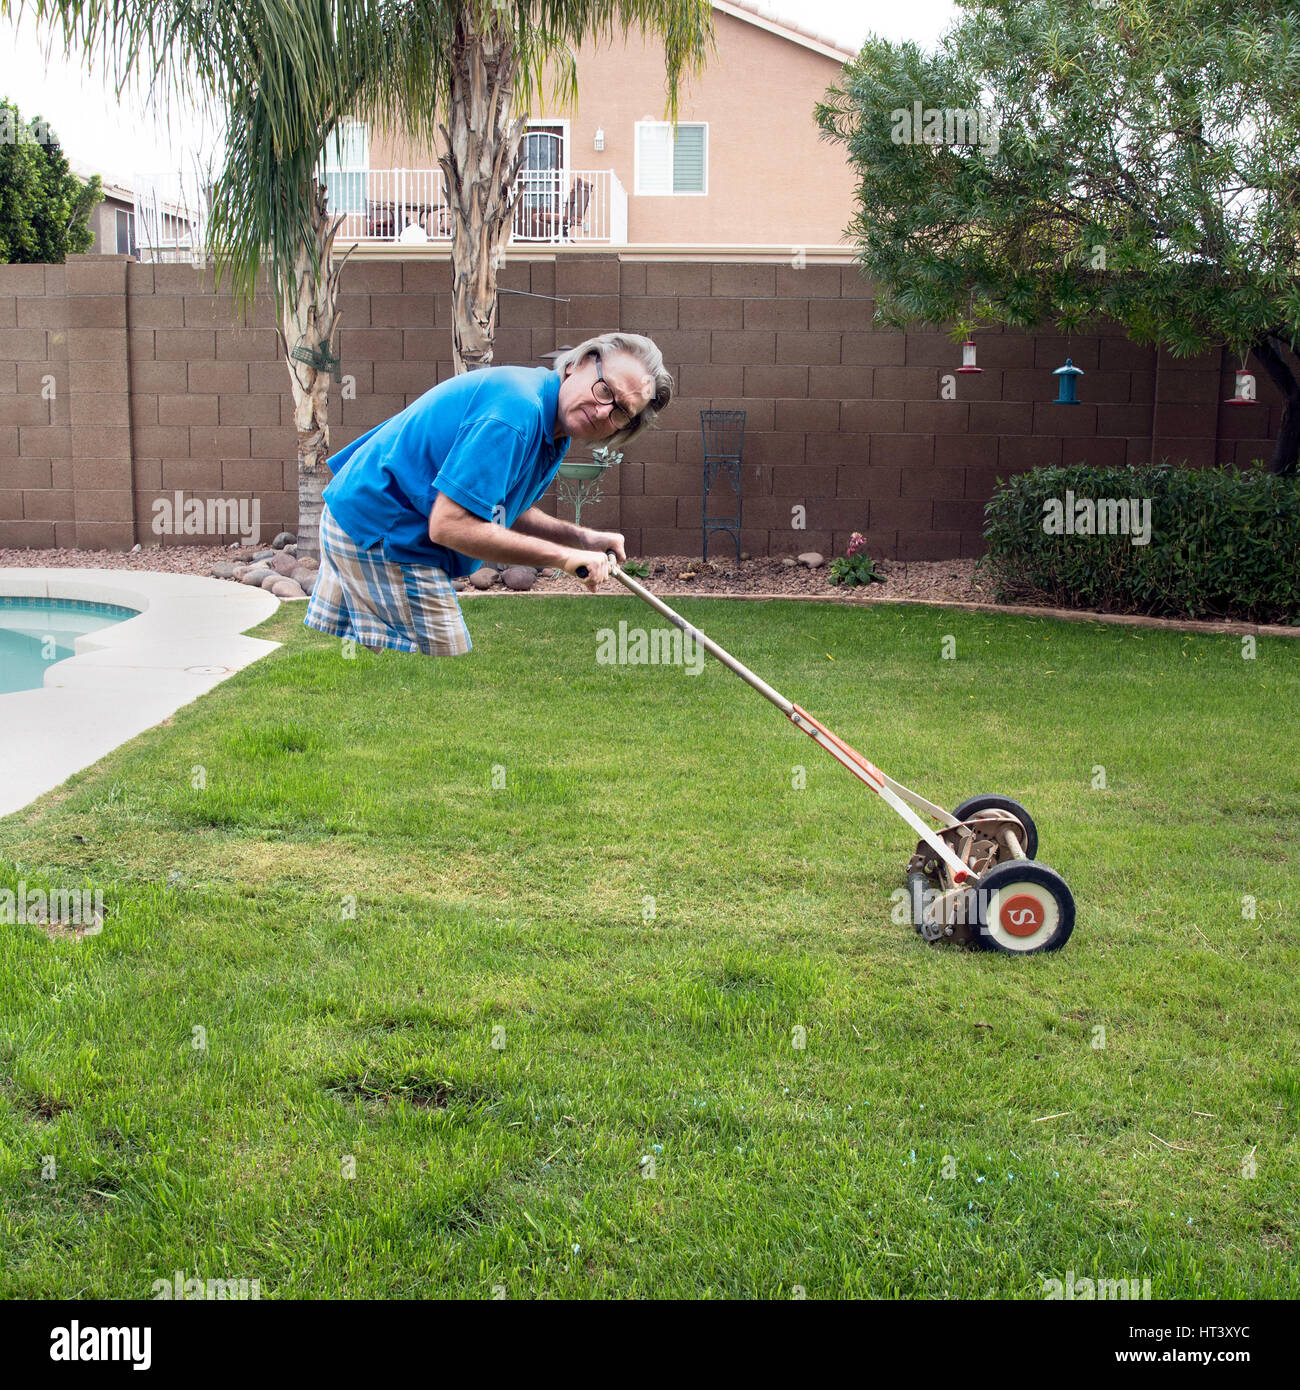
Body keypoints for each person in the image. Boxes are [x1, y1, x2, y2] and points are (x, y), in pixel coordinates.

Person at [303, 332, 673, 656]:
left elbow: (493, 504)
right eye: (605, 389)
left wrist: (580, 537)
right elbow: (450, 526)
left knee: (395, 672)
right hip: (375, 524)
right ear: (579, 363)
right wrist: (564, 558)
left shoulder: (552, 421)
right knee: (441, 672)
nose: (603, 410)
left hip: (368, 516)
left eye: (622, 411)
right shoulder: (517, 412)